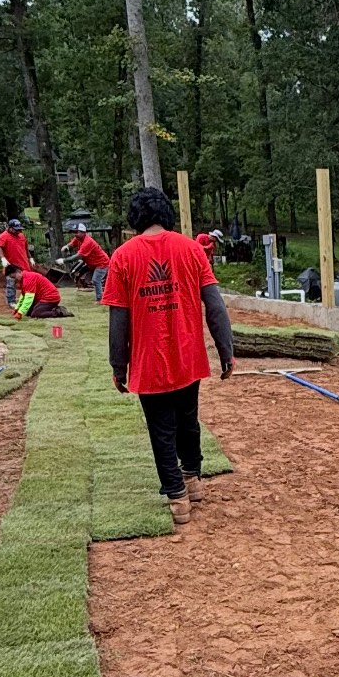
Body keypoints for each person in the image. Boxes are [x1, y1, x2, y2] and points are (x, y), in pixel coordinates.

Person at [103, 185, 235, 529]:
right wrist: (227, 351)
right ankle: (193, 480)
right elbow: (215, 305)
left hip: (149, 363)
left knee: (161, 429)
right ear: (166, 214)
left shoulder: (123, 257)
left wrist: (118, 366)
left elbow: (118, 319)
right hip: (188, 357)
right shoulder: (191, 249)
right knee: (188, 419)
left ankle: (178, 498)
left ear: (135, 218)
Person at [69, 224, 112, 302]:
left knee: (96, 280)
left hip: (101, 263)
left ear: (83, 232)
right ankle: (80, 286)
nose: (75, 234)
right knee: (77, 273)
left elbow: (78, 256)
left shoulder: (87, 242)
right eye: (74, 232)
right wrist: (66, 247)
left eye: (76, 232)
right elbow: (71, 245)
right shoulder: (77, 238)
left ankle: (100, 299)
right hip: (91, 263)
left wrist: (64, 260)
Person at [0, 217, 30, 310]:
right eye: (16, 229)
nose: (18, 231)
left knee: (27, 283)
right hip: (11, 265)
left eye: (19, 229)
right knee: (11, 283)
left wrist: (30, 258)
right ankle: (11, 301)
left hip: (23, 263)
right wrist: (3, 258)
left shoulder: (21, 236)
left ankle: (27, 299)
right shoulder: (3, 236)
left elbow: (26, 248)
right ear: (10, 228)